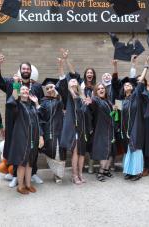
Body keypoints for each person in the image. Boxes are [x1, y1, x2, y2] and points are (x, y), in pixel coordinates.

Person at [0, 54, 44, 188]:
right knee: (15, 149)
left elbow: (40, 104)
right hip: (14, 122)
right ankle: (15, 175)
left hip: (31, 122)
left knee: (32, 147)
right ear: (20, 70)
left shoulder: (36, 86)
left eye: (28, 69)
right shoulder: (11, 82)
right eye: (23, 69)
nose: (26, 71)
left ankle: (32, 173)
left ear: (31, 71)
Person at [56, 54, 90, 185]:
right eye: (72, 81)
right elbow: (63, 77)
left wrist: (87, 104)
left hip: (81, 128)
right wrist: (62, 63)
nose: (74, 81)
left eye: (75, 81)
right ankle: (74, 175)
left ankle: (80, 174)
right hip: (72, 128)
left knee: (82, 152)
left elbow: (84, 113)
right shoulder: (67, 95)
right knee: (76, 151)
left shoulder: (82, 97)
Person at [7, 84, 44, 194]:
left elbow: (40, 119)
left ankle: (28, 184)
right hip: (22, 138)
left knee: (30, 162)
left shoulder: (32, 106)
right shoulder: (17, 104)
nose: (25, 91)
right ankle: (20, 186)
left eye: (27, 89)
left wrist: (37, 103)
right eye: (22, 89)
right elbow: (11, 102)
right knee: (22, 162)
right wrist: (15, 86)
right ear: (19, 91)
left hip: (33, 138)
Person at [121, 56, 149, 181]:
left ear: (132, 87)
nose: (127, 85)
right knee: (129, 150)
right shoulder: (123, 101)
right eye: (125, 85)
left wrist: (145, 66)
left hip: (136, 127)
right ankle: (129, 171)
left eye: (129, 84)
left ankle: (137, 172)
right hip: (126, 129)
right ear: (123, 88)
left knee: (136, 149)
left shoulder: (136, 96)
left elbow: (139, 80)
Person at [38, 60, 65, 183]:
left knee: (60, 152)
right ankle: (56, 172)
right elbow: (41, 117)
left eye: (51, 87)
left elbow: (62, 102)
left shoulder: (60, 99)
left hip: (60, 130)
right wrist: (37, 105)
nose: (49, 89)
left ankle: (58, 174)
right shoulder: (43, 101)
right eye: (47, 88)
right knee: (51, 152)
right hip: (48, 131)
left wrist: (60, 66)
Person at [86, 82, 116, 182]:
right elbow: (92, 105)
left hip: (110, 129)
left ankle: (106, 170)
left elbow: (110, 114)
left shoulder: (108, 101)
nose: (101, 90)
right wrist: (90, 102)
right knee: (104, 151)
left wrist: (114, 110)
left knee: (110, 151)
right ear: (96, 92)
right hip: (101, 129)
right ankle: (100, 172)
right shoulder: (96, 100)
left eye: (102, 88)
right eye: (98, 89)